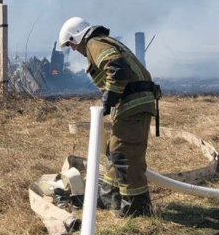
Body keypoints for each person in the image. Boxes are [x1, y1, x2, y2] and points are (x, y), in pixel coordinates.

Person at [58, 17, 160, 217]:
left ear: (77, 37)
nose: (72, 49)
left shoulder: (95, 43)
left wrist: (109, 98)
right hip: (133, 104)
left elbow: (117, 67)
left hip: (133, 104)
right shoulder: (103, 41)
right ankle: (109, 197)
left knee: (124, 153)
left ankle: (136, 208)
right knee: (114, 151)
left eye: (71, 44)